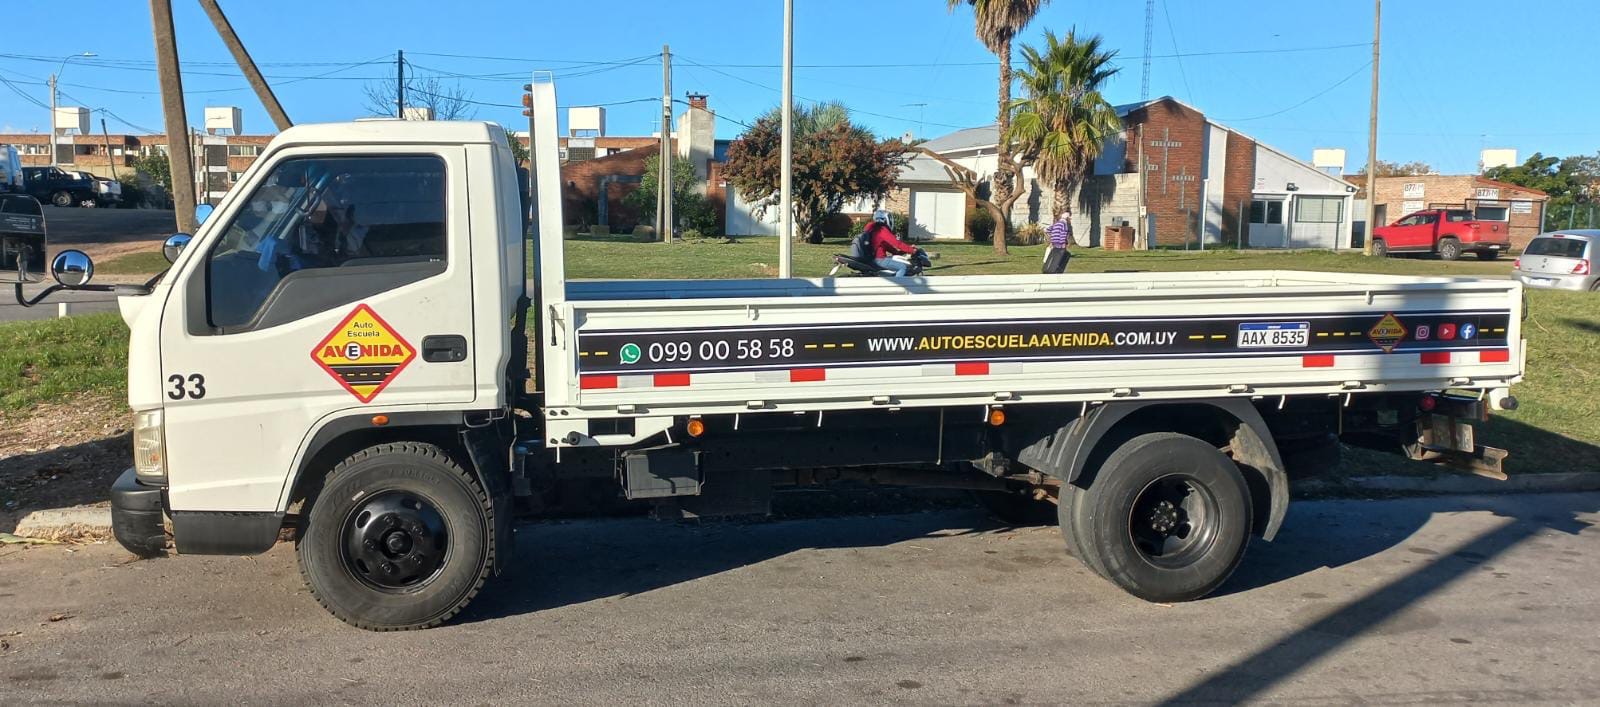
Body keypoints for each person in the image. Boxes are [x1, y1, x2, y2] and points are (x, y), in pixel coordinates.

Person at [863, 209, 917, 277]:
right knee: (902, 267)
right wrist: (912, 250)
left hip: (872, 258)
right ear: (886, 219)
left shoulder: (873, 229)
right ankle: (898, 286)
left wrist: (900, 252)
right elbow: (897, 244)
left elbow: (887, 246)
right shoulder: (882, 230)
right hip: (879, 260)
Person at [1042, 208, 1073, 274]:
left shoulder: (1056, 223)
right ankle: (1056, 269)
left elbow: (1047, 230)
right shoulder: (1064, 224)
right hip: (1060, 242)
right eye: (1069, 218)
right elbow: (1063, 234)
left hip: (1054, 242)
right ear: (1067, 218)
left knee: (1054, 255)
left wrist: (1051, 237)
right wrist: (1063, 243)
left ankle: (1049, 267)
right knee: (1060, 256)